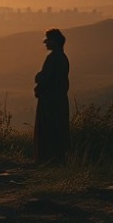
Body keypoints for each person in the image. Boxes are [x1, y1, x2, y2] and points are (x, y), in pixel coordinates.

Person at [34, 28, 70, 164]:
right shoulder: (62, 57)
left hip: (50, 100)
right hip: (58, 99)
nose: (45, 43)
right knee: (57, 130)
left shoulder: (53, 58)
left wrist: (38, 80)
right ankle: (56, 158)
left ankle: (46, 159)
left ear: (54, 42)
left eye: (48, 40)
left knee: (47, 130)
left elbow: (44, 78)